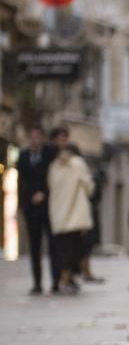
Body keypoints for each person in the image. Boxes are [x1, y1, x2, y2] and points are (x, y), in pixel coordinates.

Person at [47, 143, 94, 295]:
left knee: (65, 249)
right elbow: (89, 186)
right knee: (72, 249)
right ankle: (67, 279)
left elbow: (50, 185)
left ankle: (65, 279)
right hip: (74, 216)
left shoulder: (55, 166)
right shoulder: (76, 164)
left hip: (61, 215)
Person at [16, 126, 58, 295]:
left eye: (37, 137)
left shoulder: (50, 154)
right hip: (31, 208)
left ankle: (55, 281)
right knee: (35, 247)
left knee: (53, 245)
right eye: (32, 137)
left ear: (42, 138)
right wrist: (24, 204)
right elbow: (21, 182)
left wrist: (45, 194)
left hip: (49, 206)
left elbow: (55, 178)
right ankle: (37, 283)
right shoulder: (23, 156)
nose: (34, 140)